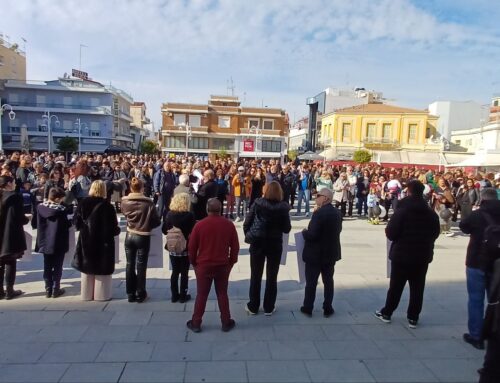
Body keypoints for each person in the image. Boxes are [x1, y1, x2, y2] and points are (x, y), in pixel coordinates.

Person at [375, 180, 440, 328]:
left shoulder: (402, 211)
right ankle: (413, 317)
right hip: (422, 255)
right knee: (418, 287)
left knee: (396, 286)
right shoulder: (430, 213)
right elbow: (435, 233)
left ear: (409, 191)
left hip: (402, 254)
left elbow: (390, 233)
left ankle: (387, 312)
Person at [187, 198, 239, 333]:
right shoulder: (229, 225)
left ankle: (196, 322)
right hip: (222, 264)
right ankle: (226, 321)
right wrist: (231, 262)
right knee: (222, 293)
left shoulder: (199, 225)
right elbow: (235, 247)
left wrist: (194, 263)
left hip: (203, 265)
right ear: (220, 209)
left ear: (207, 209)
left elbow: (191, 247)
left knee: (201, 294)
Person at [459, 188, 500, 350]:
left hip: (476, 260)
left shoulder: (477, 215)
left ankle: (476, 336)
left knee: (475, 300)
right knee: (495, 299)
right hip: (497, 262)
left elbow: (463, 226)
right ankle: (495, 331)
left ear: (482, 198)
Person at [243, 181, 291, 315]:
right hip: (274, 243)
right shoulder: (283, 208)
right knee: (272, 276)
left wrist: (249, 234)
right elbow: (287, 229)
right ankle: (269, 307)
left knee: (255, 275)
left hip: (258, 241)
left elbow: (247, 221)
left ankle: (253, 306)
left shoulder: (257, 204)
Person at [73, 180, 121, 301]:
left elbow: (76, 224)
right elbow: (114, 228)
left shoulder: (83, 203)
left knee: (86, 269)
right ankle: (101, 295)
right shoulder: (108, 206)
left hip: (86, 240)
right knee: (102, 272)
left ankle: (86, 294)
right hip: (104, 242)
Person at [300, 188, 342, 317]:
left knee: (311, 282)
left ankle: (308, 307)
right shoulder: (337, 212)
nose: (316, 198)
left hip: (316, 254)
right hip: (330, 253)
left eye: (318, 196)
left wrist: (304, 232)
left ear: (325, 198)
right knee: (328, 281)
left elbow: (312, 234)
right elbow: (338, 230)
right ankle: (328, 307)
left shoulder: (319, 213)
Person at [121, 177, 161, 303]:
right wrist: (147, 224)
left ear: (131, 188)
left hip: (129, 234)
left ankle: (130, 293)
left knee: (129, 264)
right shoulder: (148, 203)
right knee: (141, 265)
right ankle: (140, 292)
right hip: (143, 235)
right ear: (142, 188)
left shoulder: (125, 202)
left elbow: (124, 214)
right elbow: (156, 221)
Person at [36, 187, 72, 298]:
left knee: (47, 265)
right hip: (58, 241)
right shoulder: (62, 210)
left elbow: (34, 223)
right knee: (57, 266)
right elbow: (67, 225)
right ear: (57, 199)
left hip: (45, 241)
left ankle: (48, 288)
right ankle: (56, 288)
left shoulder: (40, 207)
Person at [162, 193, 196, 303]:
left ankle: (174, 295)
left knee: (175, 272)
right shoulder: (189, 215)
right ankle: (183, 295)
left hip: (173, 247)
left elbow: (164, 230)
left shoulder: (169, 214)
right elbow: (193, 231)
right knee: (184, 272)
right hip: (185, 247)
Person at [0, 176, 29, 300]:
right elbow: (17, 216)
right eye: (13, 182)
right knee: (10, 261)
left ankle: (0, 290)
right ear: (8, 184)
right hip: (10, 233)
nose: (15, 185)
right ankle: (9, 290)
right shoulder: (14, 197)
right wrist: (26, 219)